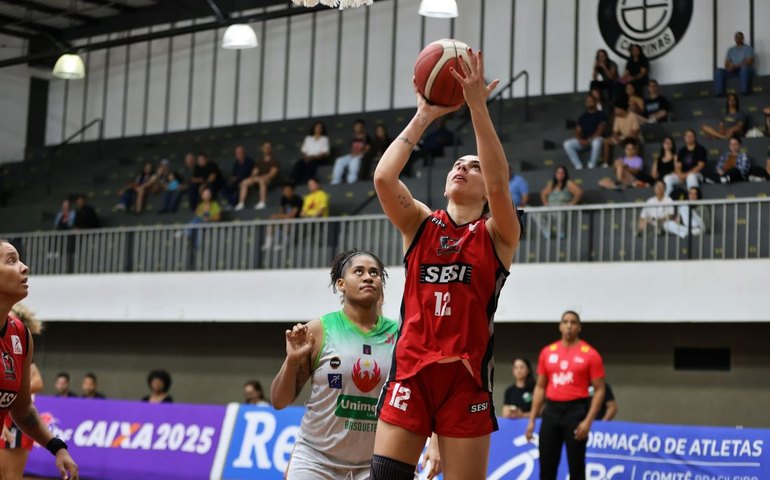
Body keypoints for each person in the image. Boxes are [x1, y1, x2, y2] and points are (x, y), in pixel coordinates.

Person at [371, 47, 520, 479]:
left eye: (472, 166)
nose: (462, 168)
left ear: (484, 189)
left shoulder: (498, 234)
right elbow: (383, 178)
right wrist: (425, 115)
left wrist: (476, 107)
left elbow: (499, 179)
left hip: (466, 380)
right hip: (411, 372)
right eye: (457, 163)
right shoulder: (419, 223)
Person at [271, 250, 440, 479]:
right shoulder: (319, 330)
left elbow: (432, 392)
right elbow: (279, 401)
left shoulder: (402, 336)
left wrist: (436, 442)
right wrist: (291, 362)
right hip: (317, 459)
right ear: (341, 284)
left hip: (377, 461)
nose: (368, 277)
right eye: (358, 271)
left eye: (375, 273)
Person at [0, 239, 79, 479]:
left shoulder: (20, 335)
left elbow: (22, 410)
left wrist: (57, 447)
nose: (24, 267)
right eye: (11, 261)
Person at [525, 311, 606, 480]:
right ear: (560, 326)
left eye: (573, 322)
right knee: (547, 464)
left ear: (579, 327)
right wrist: (532, 419)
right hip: (551, 411)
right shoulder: (547, 352)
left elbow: (600, 390)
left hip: (576, 411)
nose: (569, 325)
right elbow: (540, 387)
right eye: (566, 321)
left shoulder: (590, 354)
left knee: (576, 466)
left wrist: (588, 421)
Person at [1, 303, 44, 480]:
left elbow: (38, 383)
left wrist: (18, 389)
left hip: (16, 420)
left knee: (11, 476)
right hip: (7, 416)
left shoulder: (21, 350)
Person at [563, 95, 607, 169]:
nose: (589, 103)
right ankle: (578, 165)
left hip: (596, 139)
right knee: (567, 144)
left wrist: (589, 140)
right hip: (584, 141)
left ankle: (592, 164)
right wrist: (580, 140)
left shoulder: (601, 114)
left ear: (595, 102)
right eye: (587, 102)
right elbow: (577, 130)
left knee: (597, 142)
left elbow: (600, 130)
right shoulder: (583, 117)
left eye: (591, 101)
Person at [538, 165, 582, 240]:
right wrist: (546, 203)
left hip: (562, 205)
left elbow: (579, 192)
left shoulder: (568, 183)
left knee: (559, 211)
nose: (560, 175)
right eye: (558, 172)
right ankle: (547, 231)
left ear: (565, 174)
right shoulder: (552, 184)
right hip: (550, 206)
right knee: (536, 212)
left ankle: (560, 232)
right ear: (555, 174)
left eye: (562, 173)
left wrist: (572, 203)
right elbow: (543, 193)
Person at [236, 142, 279, 211]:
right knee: (245, 182)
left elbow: (272, 174)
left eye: (268, 148)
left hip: (271, 181)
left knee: (262, 180)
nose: (266, 149)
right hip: (259, 179)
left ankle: (262, 202)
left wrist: (262, 177)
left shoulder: (274, 160)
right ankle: (241, 203)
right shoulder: (260, 161)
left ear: (270, 149)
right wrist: (252, 178)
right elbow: (254, 172)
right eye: (265, 148)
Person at [664, 129, 707, 196]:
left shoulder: (700, 149)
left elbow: (700, 166)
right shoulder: (682, 150)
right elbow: (678, 166)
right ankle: (667, 201)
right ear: (684, 138)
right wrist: (680, 175)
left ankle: (693, 200)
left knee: (691, 176)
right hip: (683, 175)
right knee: (667, 178)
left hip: (697, 174)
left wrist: (686, 175)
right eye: (687, 136)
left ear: (695, 137)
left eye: (691, 136)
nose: (689, 138)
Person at [262, 182, 304, 250]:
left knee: (287, 220)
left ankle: (284, 243)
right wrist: (277, 217)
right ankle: (268, 243)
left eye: (288, 190)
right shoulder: (283, 198)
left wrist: (280, 216)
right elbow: (281, 211)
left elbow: (292, 214)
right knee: (271, 219)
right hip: (285, 217)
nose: (286, 192)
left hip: (296, 220)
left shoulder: (298, 199)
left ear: (292, 191)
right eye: (284, 190)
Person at [714, 31, 754, 96]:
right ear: (734, 39)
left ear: (743, 38)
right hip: (733, 71)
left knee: (744, 68)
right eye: (736, 37)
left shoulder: (748, 48)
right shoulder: (731, 50)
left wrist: (735, 66)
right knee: (718, 71)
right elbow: (726, 64)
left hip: (745, 71)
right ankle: (719, 92)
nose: (738, 39)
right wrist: (729, 67)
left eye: (740, 37)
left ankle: (744, 91)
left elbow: (749, 61)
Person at [331, 119, 371, 185]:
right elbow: (351, 148)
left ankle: (352, 180)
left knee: (354, 162)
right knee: (339, 160)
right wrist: (353, 154)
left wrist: (360, 153)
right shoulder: (353, 137)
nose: (358, 128)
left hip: (361, 156)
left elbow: (368, 149)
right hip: (353, 155)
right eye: (356, 126)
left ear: (362, 127)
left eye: (359, 126)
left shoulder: (367, 137)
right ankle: (336, 180)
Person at [602, 101, 641, 166]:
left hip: (633, 137)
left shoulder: (633, 116)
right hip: (623, 137)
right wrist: (616, 139)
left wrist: (625, 139)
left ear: (621, 109)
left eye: (616, 109)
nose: (615, 111)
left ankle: (634, 164)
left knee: (634, 141)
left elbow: (635, 132)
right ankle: (605, 163)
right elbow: (615, 132)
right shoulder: (617, 118)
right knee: (606, 142)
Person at [292, 121, 331, 185]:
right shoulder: (308, 138)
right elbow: (304, 150)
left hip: (318, 158)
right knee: (299, 164)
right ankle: (294, 181)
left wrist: (312, 158)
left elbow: (324, 153)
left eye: (320, 128)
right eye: (317, 128)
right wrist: (306, 157)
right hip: (307, 157)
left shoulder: (325, 139)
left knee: (311, 164)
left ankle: (308, 181)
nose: (318, 129)